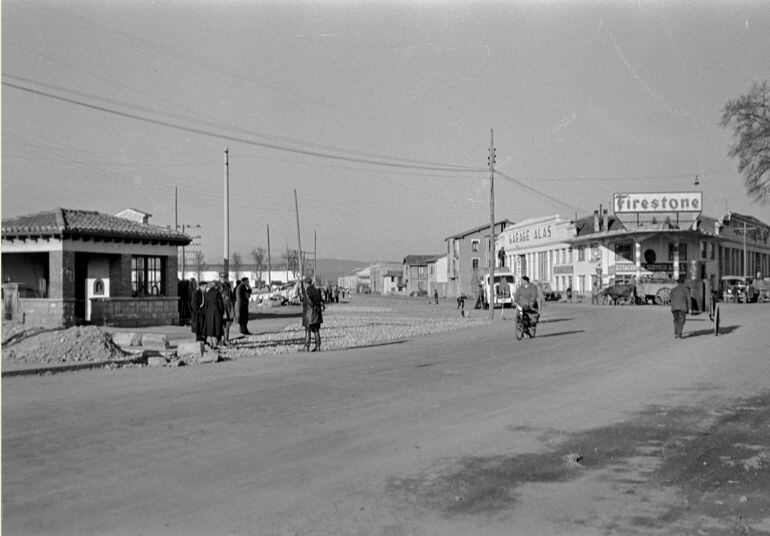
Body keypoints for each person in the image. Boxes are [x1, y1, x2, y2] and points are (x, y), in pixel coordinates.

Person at [301, 276, 324, 352]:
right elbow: (321, 300)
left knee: (308, 330)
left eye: (304, 283)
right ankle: (318, 346)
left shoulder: (307, 290)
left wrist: (313, 306)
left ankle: (306, 346)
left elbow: (309, 301)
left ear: (306, 283)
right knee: (316, 330)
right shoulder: (317, 290)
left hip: (309, 314)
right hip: (317, 313)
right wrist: (318, 307)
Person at [202, 281, 225, 348]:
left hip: (209, 312)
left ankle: (211, 343)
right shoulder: (217, 293)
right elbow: (220, 304)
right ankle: (215, 344)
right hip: (216, 312)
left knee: (210, 328)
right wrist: (222, 312)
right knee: (216, 329)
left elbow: (205, 305)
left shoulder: (206, 293)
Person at [189, 278, 205, 342]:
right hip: (198, 315)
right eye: (204, 286)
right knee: (198, 331)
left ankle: (203, 342)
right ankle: (198, 342)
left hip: (202, 314)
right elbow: (194, 304)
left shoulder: (203, 293)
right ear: (201, 286)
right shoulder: (196, 293)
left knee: (202, 330)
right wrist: (199, 310)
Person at [220, 280, 235, 346]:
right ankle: (226, 340)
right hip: (227, 313)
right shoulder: (228, 293)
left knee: (224, 327)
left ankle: (223, 340)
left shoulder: (221, 293)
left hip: (224, 313)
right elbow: (230, 304)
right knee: (226, 327)